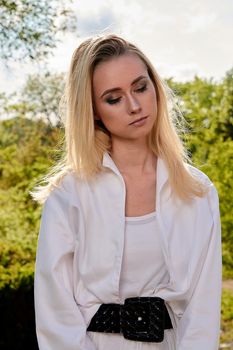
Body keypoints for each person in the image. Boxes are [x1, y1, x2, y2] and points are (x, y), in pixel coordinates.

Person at [32, 34, 222, 350]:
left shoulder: (198, 191)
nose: (134, 106)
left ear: (155, 88)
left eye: (140, 87)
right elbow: (55, 313)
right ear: (93, 110)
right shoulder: (69, 195)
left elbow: (202, 311)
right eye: (113, 98)